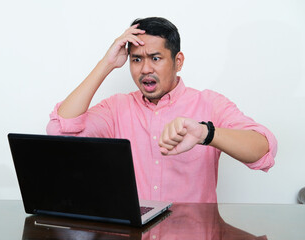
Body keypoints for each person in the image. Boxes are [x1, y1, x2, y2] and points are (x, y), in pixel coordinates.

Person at [47, 17, 277, 203]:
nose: (145, 68)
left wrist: (205, 133)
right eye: (136, 60)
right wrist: (106, 64)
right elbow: (59, 132)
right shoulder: (116, 107)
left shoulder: (209, 103)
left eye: (155, 58)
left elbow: (264, 149)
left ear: (178, 61)